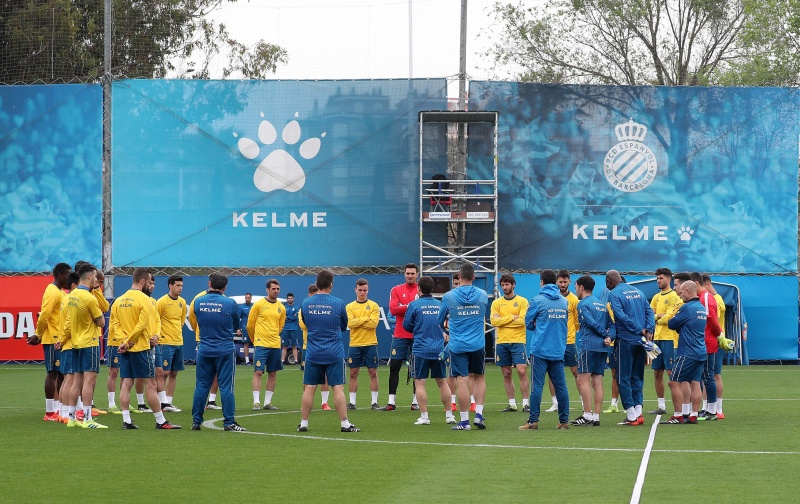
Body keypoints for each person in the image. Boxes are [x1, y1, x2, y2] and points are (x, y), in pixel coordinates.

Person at [115, 267, 181, 430]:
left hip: (126, 349)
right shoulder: (145, 300)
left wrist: (124, 341)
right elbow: (142, 324)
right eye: (149, 281)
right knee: (150, 384)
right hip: (141, 348)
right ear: (143, 281)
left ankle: (126, 421)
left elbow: (115, 325)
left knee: (126, 383)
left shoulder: (119, 300)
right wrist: (130, 341)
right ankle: (160, 421)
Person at [298, 270, 359, 433]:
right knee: (337, 387)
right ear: (331, 284)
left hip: (313, 351)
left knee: (309, 388)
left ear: (317, 284)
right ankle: (345, 423)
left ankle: (304, 423)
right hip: (334, 352)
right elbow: (343, 325)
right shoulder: (338, 303)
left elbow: (306, 323)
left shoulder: (306, 303)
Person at [190, 273, 246, 432]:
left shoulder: (198, 302)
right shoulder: (230, 303)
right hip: (225, 349)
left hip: (205, 348)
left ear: (209, 283)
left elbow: (196, 321)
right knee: (226, 387)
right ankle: (229, 422)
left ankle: (196, 421)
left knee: (201, 386)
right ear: (225, 287)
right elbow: (237, 325)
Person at [437, 263, 489, 431]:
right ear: (474, 277)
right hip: (478, 344)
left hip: (458, 344)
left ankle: (465, 421)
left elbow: (440, 320)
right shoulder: (482, 295)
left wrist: (447, 330)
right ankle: (479, 415)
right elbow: (483, 315)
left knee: (461, 381)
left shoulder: (449, 296)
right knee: (479, 377)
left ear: (459, 276)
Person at [519, 269, 570, 430]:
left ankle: (533, 421)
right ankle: (564, 420)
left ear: (541, 282)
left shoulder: (537, 300)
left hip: (540, 349)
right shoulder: (563, 301)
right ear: (555, 282)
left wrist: (539, 326)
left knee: (537, 386)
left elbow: (527, 322)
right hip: (558, 349)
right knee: (561, 386)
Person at [403, 276, 455, 425]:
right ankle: (449, 415)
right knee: (442, 382)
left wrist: (418, 328)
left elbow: (407, 326)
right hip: (439, 349)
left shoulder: (414, 305)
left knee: (420, 383)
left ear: (419, 288)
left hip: (420, 349)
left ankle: (425, 417)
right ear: (432, 288)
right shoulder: (440, 305)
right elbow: (447, 324)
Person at [606, 270, 655, 426]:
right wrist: (649, 329)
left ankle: (631, 416)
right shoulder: (638, 291)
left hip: (625, 341)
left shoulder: (614, 294)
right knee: (637, 376)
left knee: (623, 378)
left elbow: (620, 316)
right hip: (641, 342)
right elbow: (649, 312)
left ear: (609, 281)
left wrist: (638, 329)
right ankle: (639, 413)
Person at [62, 263, 107, 428]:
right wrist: (97, 318)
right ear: (89, 277)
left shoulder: (72, 296)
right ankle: (88, 419)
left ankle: (72, 418)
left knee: (77, 381)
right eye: (95, 276)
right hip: (89, 342)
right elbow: (101, 321)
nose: (96, 279)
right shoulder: (89, 298)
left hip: (75, 342)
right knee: (89, 382)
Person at [660, 281, 707, 425]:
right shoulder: (701, 307)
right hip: (700, 350)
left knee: (673, 382)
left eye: (681, 293)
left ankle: (678, 415)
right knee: (694, 382)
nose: (680, 296)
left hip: (687, 351)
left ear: (687, 291)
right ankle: (692, 414)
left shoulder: (686, 307)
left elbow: (672, 323)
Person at [31, 262, 72, 422]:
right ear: (61, 275)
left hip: (59, 339)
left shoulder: (60, 292)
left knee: (61, 373)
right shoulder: (52, 291)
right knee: (53, 373)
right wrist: (38, 334)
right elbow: (44, 314)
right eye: (68, 274)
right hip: (53, 339)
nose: (69, 278)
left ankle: (58, 410)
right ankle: (49, 412)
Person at [571, 275, 612, 426]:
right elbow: (612, 324)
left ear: (581, 287)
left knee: (582, 380)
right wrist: (609, 337)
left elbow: (591, 323)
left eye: (575, 287)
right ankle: (596, 416)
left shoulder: (582, 304)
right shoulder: (601, 304)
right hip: (602, 347)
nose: (575, 290)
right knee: (597, 381)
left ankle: (587, 415)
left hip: (589, 345)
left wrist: (605, 334)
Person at [381, 263, 419, 411]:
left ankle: (415, 402)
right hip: (400, 335)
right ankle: (391, 402)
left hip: (417, 335)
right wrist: (411, 306)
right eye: (407, 273)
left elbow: (420, 309)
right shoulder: (396, 289)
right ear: (404, 274)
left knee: (417, 368)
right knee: (394, 366)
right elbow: (393, 309)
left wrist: (404, 306)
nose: (410, 276)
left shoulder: (420, 289)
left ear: (417, 274)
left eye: (412, 273)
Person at [490, 273, 530, 413]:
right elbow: (494, 322)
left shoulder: (522, 301)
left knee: (522, 370)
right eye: (502, 285)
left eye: (507, 285)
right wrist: (512, 318)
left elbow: (523, 321)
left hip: (518, 341)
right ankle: (512, 404)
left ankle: (526, 403)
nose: (504, 287)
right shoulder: (496, 303)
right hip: (502, 342)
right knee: (506, 373)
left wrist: (503, 320)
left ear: (513, 285)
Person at [247, 279, 286, 410]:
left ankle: (267, 403)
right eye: (273, 289)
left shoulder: (281, 307)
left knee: (273, 373)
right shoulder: (258, 305)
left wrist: (274, 336)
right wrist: (255, 340)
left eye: (278, 289)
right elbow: (250, 325)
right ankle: (256, 402)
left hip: (275, 345)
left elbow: (280, 327)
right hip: (261, 344)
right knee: (258, 372)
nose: (276, 291)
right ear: (267, 290)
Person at [648, 268, 682, 415]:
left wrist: (658, 317)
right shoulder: (656, 297)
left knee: (671, 372)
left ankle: (680, 407)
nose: (658, 281)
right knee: (657, 372)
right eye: (657, 279)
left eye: (661, 278)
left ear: (669, 279)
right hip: (656, 339)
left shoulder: (675, 297)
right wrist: (656, 316)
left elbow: (669, 317)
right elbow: (649, 315)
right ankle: (661, 406)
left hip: (669, 338)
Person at [545, 270, 579, 413]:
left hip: (569, 342)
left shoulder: (574, 300)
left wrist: (570, 334)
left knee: (576, 372)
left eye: (565, 282)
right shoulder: (552, 299)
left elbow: (578, 322)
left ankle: (584, 402)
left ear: (570, 282)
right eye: (560, 282)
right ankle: (555, 403)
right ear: (556, 282)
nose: (563, 284)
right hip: (554, 342)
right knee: (552, 373)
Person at [690, 272, 722, 420]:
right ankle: (708, 409)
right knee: (705, 376)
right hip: (702, 342)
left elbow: (712, 319)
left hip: (707, 342)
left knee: (709, 376)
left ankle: (713, 411)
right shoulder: (702, 297)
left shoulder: (706, 297)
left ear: (696, 283)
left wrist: (718, 335)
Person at [345, 279, 381, 410]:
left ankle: (374, 402)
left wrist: (358, 321)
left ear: (368, 290)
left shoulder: (374, 306)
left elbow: (374, 324)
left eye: (364, 290)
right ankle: (352, 402)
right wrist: (366, 318)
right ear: (355, 290)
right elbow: (350, 323)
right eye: (360, 290)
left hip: (370, 343)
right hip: (355, 343)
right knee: (353, 373)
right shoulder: (349, 306)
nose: (362, 292)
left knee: (373, 372)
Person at [156, 275, 187, 412]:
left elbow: (180, 322)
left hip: (178, 341)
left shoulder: (182, 302)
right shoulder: (161, 302)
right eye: (177, 285)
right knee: (164, 372)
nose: (180, 288)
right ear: (170, 285)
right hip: (165, 342)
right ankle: (160, 402)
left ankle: (168, 402)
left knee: (174, 372)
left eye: (181, 286)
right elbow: (155, 321)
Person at [298, 283, 331, 409]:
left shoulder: (324, 307)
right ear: (309, 295)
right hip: (309, 346)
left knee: (325, 376)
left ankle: (324, 403)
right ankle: (306, 402)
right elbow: (304, 325)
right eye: (313, 295)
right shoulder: (303, 309)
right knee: (308, 377)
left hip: (323, 345)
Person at [54, 271, 80, 423]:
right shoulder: (72, 299)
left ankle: (62, 413)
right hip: (70, 344)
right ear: (74, 285)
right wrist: (63, 340)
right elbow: (70, 323)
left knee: (66, 380)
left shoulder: (64, 299)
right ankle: (65, 414)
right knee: (70, 379)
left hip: (66, 344)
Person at [189, 289, 221, 409]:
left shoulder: (223, 297)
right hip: (203, 340)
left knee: (217, 371)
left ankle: (211, 401)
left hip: (217, 339)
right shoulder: (199, 297)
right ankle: (200, 403)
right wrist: (199, 330)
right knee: (203, 373)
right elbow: (192, 318)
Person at [703, 274, 727, 419]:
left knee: (713, 376)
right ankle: (711, 407)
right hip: (717, 339)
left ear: (707, 284)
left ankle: (716, 408)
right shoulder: (717, 299)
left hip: (715, 341)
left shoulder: (714, 300)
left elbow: (713, 322)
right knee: (711, 376)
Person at [281, 293, 301, 365]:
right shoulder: (283, 307)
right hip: (285, 328)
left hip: (294, 329)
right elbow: (282, 318)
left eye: (291, 298)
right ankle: (282, 361)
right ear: (287, 299)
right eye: (289, 298)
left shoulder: (296, 307)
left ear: (293, 299)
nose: (290, 299)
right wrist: (290, 317)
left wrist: (288, 317)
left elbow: (295, 317)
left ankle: (296, 360)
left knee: (294, 345)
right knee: (284, 346)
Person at [238, 293, 254, 365]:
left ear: (251, 298)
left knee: (256, 344)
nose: (247, 299)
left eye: (248, 298)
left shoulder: (254, 306)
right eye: (246, 298)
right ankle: (247, 361)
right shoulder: (241, 307)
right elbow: (238, 318)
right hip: (245, 328)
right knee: (246, 343)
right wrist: (238, 328)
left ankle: (256, 359)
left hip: (254, 328)